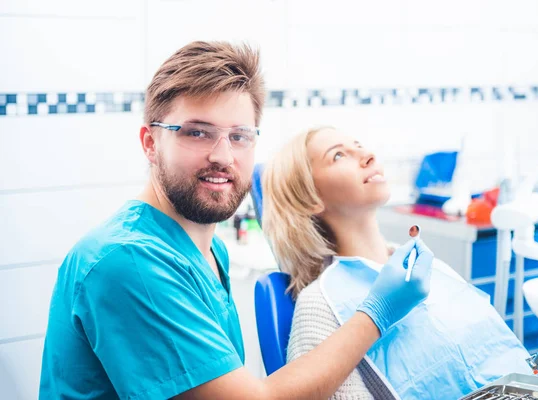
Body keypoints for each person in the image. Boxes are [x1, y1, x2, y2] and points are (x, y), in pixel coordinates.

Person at [39, 41, 433, 400]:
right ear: (150, 143)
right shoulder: (127, 260)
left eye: (240, 136)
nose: (223, 156)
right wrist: (377, 312)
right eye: (196, 132)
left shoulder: (210, 252)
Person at [262, 126, 531, 399]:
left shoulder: (428, 266)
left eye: (359, 145)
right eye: (339, 155)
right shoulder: (320, 304)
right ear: (310, 198)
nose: (367, 155)